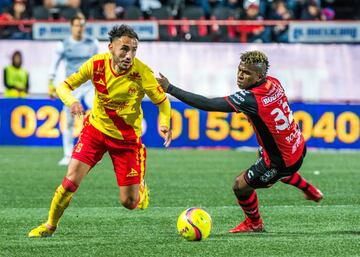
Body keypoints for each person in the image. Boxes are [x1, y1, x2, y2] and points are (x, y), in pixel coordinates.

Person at [28, 24, 172, 238]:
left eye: (133, 50)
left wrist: (165, 122)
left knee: (129, 203)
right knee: (70, 181)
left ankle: (139, 187)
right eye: (124, 49)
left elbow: (163, 103)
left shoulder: (142, 73)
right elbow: (63, 87)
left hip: (126, 141)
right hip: (95, 132)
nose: (129, 55)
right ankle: (49, 226)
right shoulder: (96, 65)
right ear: (111, 47)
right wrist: (72, 101)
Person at [157, 50, 323, 233]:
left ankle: (254, 224)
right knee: (267, 161)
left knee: (240, 186)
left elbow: (209, 104)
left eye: (247, 73)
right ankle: (310, 190)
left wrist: (170, 88)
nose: (240, 75)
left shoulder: (251, 99)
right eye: (240, 70)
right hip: (297, 144)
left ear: (259, 75)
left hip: (282, 160)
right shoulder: (273, 82)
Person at [48, 13, 99, 166]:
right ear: (71, 26)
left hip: (89, 86)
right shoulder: (63, 44)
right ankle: (67, 154)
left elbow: (99, 65)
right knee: (68, 120)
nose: (79, 28)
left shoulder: (93, 43)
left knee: (98, 115)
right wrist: (51, 82)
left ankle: (95, 153)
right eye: (77, 25)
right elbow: (54, 64)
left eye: (82, 25)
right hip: (72, 86)